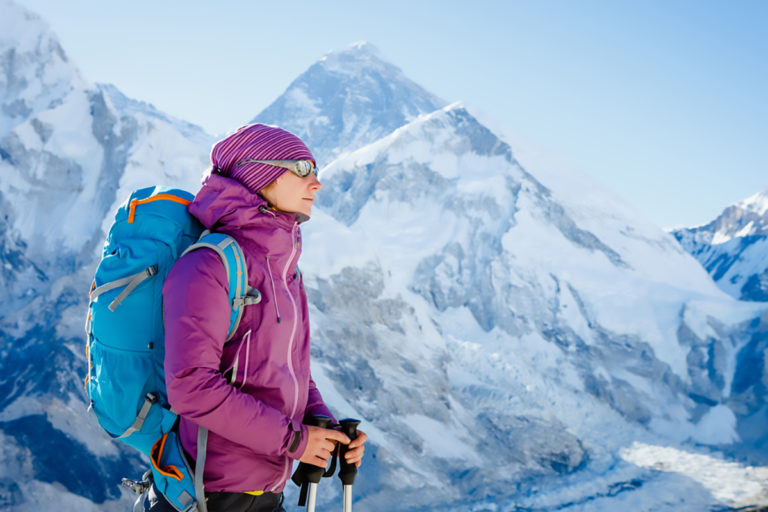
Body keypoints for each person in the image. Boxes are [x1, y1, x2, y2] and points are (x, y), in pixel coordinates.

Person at [161, 124, 367, 512]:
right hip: (210, 497)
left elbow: (291, 371)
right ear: (259, 173)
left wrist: (323, 426)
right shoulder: (209, 266)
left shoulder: (285, 270)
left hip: (267, 494)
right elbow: (191, 386)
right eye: (303, 168)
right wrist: (293, 441)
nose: (317, 182)